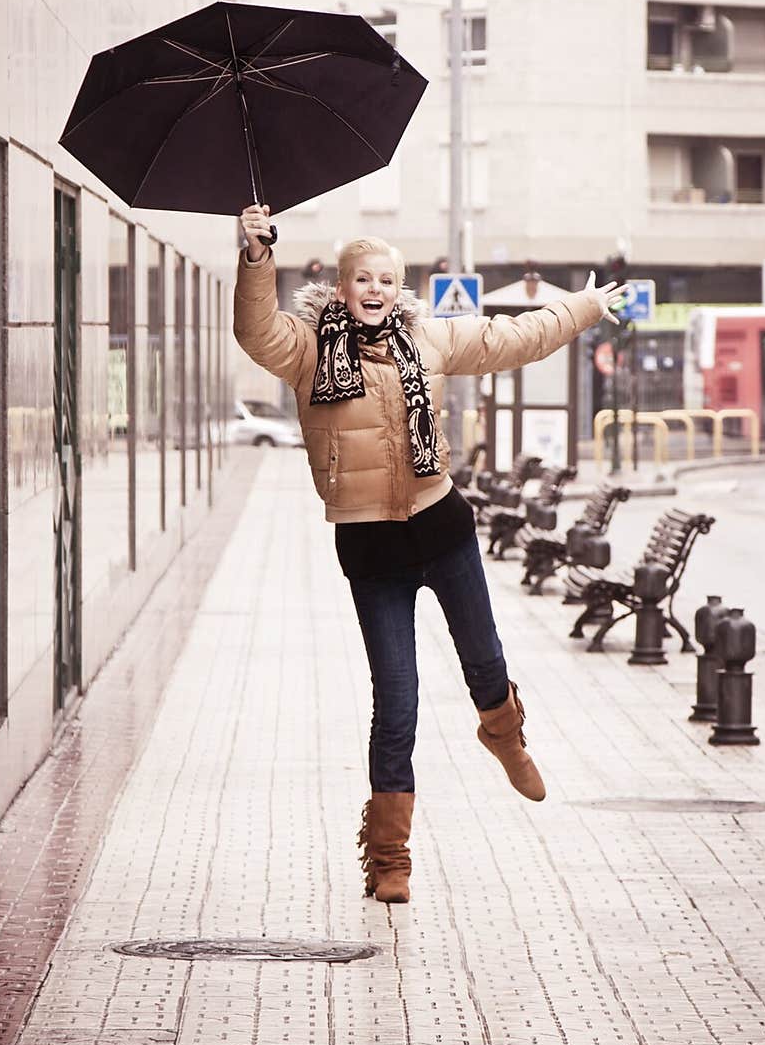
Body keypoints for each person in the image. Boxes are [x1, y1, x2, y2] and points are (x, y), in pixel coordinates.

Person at [234, 204, 626, 906]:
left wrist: (584, 307)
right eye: (363, 278)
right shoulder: (307, 351)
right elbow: (254, 330)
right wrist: (258, 257)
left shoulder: (429, 340)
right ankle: (389, 859)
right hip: (371, 546)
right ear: (343, 287)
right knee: (399, 699)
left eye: (387, 278)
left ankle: (504, 735)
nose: (375, 288)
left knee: (485, 660)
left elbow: (513, 338)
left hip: (440, 525)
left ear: (400, 287)